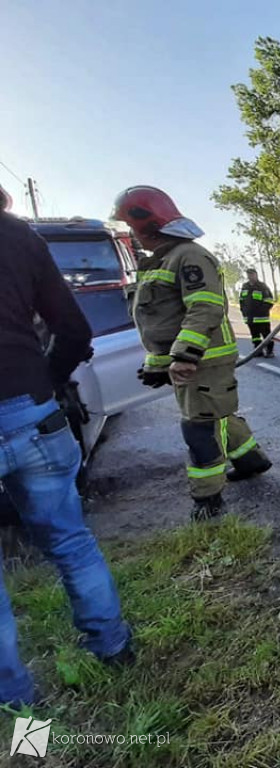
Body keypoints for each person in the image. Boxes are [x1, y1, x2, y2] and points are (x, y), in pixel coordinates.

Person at [0, 182, 132, 706]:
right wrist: (47, 381)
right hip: (33, 413)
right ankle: (113, 648)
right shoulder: (19, 236)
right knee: (72, 543)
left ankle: (19, 708)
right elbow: (75, 331)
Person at [112, 186, 272, 521]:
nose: (132, 235)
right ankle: (250, 460)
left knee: (200, 430)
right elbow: (161, 323)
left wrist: (184, 356)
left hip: (204, 362)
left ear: (147, 226)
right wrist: (157, 364)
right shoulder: (160, 262)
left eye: (133, 227)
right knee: (216, 416)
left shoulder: (189, 257)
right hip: (192, 362)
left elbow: (203, 309)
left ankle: (208, 501)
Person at [239, 268, 275, 358]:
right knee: (255, 336)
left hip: (262, 318)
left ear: (256, 275)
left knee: (266, 335)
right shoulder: (245, 286)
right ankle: (258, 351)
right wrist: (243, 311)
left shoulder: (262, 286)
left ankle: (269, 351)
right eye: (248, 274)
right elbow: (241, 300)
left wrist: (262, 311)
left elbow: (269, 301)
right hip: (250, 317)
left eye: (252, 274)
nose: (250, 276)